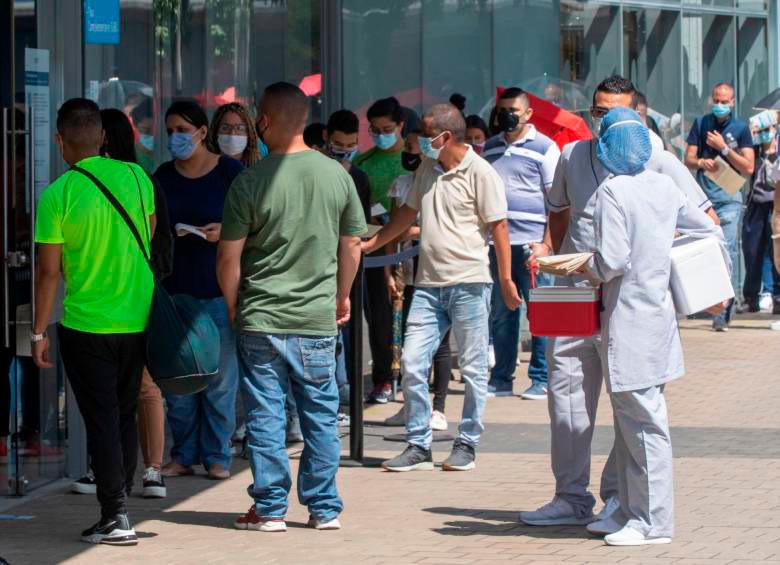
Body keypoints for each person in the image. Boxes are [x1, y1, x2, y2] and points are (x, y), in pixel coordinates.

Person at [521, 75, 717, 529]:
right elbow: (558, 210)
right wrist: (546, 250)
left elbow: (703, 220)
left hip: (628, 301)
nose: (603, 120)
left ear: (636, 113)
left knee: (630, 402)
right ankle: (570, 496)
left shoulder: (659, 160)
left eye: (613, 112)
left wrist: (655, 257)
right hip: (574, 293)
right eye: (597, 111)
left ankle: (619, 498)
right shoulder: (572, 155)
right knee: (566, 396)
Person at [217, 82, 365, 532]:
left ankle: (270, 508)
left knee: (266, 414)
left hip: (261, 316)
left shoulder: (250, 181)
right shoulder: (336, 174)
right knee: (320, 414)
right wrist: (341, 296)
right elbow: (353, 244)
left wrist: (232, 306)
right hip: (316, 318)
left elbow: (227, 258)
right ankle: (323, 509)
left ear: (265, 121)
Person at [583, 107, 728, 545]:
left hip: (629, 320)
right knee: (632, 425)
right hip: (656, 318)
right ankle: (629, 511)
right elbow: (708, 230)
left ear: (607, 146)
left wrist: (582, 266)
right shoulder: (664, 185)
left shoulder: (613, 192)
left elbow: (611, 261)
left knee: (643, 427)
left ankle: (653, 522)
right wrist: (668, 254)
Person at [363, 103, 521, 472]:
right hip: (429, 285)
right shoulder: (427, 171)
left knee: (473, 367)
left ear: (446, 137)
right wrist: (376, 241)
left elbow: (499, 228)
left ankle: (467, 442)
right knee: (414, 365)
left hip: (469, 283)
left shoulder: (482, 173)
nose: (419, 141)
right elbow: (406, 213)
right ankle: (419, 444)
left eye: (426, 134)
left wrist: (507, 279)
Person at [32, 98, 156, 545]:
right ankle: (118, 505)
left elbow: (48, 271)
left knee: (102, 419)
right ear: (103, 137)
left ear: (59, 140)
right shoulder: (138, 177)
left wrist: (39, 330)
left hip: (87, 324)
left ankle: (115, 514)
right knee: (123, 414)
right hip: (137, 321)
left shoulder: (57, 194)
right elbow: (150, 233)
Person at [71, 108, 172, 499]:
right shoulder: (139, 179)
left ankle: (139, 472)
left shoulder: (128, 180)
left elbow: (154, 243)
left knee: (131, 394)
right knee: (132, 393)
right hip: (135, 301)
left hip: (123, 306)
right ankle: (135, 472)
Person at [155, 100, 244, 481]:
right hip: (176, 291)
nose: (176, 137)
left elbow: (254, 225)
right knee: (179, 381)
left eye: (182, 130)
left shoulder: (230, 173)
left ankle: (217, 455)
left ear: (203, 132)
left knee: (220, 381)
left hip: (218, 289)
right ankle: (182, 454)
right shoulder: (162, 175)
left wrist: (225, 231)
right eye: (170, 130)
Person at [482, 87, 560, 400]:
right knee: (502, 312)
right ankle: (501, 378)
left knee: (541, 314)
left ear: (528, 113)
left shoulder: (545, 148)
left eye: (513, 110)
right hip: (498, 245)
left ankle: (541, 378)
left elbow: (556, 202)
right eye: (502, 110)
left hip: (532, 245)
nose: (507, 116)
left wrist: (546, 245)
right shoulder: (489, 148)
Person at [383, 129, 451, 431]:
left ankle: (438, 406)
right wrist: (387, 269)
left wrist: (412, 231)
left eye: (414, 147)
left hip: (438, 270)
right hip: (407, 269)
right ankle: (412, 404)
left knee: (440, 343)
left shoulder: (440, 182)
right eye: (409, 147)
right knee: (412, 341)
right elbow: (393, 228)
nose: (410, 153)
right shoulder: (402, 184)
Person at [685, 82, 755, 331]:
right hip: (703, 200)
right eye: (716, 100)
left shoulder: (740, 129)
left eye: (725, 101)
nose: (720, 105)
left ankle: (723, 312)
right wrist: (702, 162)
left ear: (733, 102)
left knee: (727, 253)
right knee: (703, 251)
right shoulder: (702, 124)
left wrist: (723, 148)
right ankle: (704, 303)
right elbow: (689, 158)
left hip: (728, 199)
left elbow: (748, 167)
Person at [354, 97, 409, 404]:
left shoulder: (411, 158)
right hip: (373, 247)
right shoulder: (363, 162)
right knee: (378, 316)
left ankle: (411, 376)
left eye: (386, 129)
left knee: (411, 317)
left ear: (400, 126)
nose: (380, 134)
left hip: (408, 247)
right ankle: (383, 378)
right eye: (374, 129)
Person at [740, 121, 779, 314]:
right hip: (756, 205)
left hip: (774, 205)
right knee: (752, 250)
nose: (765, 134)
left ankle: (774, 294)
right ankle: (751, 296)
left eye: (768, 130)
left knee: (775, 252)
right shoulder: (754, 151)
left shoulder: (777, 152)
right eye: (761, 131)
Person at [208, 102, 261, 168]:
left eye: (239, 128)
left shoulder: (258, 170)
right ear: (215, 132)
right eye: (225, 128)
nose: (232, 134)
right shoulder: (204, 170)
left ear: (249, 134)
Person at [130, 96, 156, 174]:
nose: (151, 135)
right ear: (136, 127)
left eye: (154, 131)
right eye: (146, 130)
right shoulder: (132, 156)